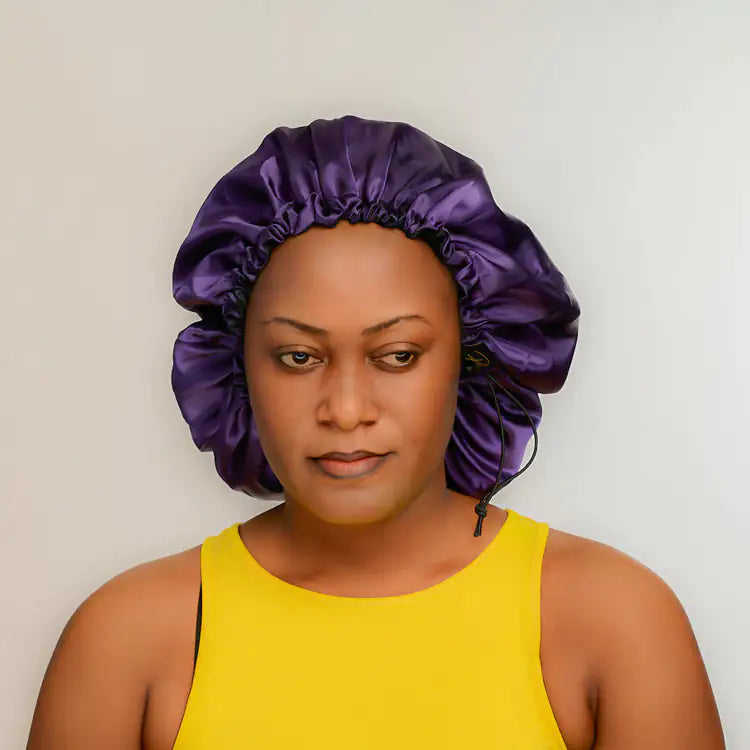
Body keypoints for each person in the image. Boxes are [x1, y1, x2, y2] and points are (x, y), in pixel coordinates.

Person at [27, 115, 725, 750]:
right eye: (297, 357)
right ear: (237, 365)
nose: (346, 409)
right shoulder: (127, 643)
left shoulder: (616, 626)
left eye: (397, 356)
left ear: (472, 357)